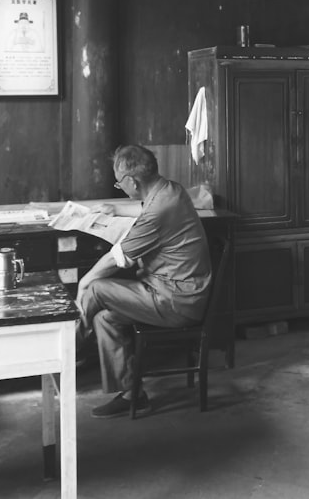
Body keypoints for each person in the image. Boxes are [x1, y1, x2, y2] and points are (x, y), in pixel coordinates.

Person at [76, 144, 212, 418]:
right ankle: (132, 394)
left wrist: (84, 281)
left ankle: (65, 351)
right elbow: (147, 213)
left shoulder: (160, 208)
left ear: (131, 181)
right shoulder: (170, 189)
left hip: (177, 300)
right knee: (105, 320)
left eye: (118, 183)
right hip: (166, 289)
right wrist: (115, 209)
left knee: (96, 287)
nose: (120, 187)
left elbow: (118, 257)